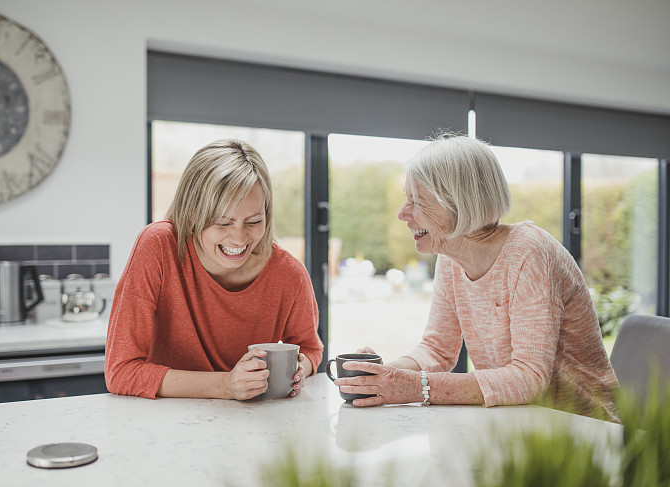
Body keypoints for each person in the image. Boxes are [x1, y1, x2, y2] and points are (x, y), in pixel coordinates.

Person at [334, 133, 619, 421]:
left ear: (459, 203)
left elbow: (529, 378)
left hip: (587, 428)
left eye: (418, 202)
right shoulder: (449, 257)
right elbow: (437, 350)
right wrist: (381, 377)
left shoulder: (529, 253)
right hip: (521, 422)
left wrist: (413, 388)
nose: (402, 214)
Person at [105, 139, 323, 400]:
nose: (239, 238)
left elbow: (310, 349)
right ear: (192, 214)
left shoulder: (289, 275)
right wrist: (225, 385)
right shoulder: (158, 247)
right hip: (163, 423)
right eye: (223, 222)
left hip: (251, 425)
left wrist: (300, 368)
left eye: (253, 221)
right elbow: (120, 372)